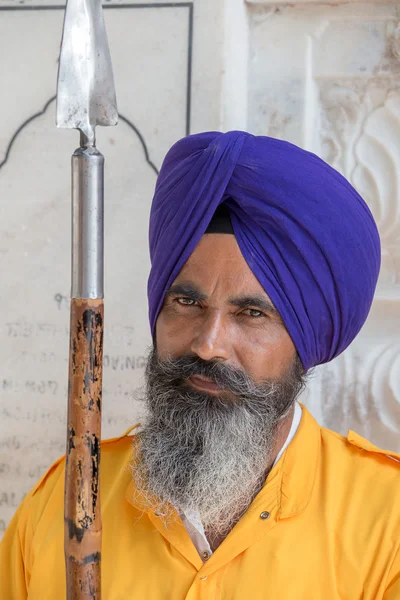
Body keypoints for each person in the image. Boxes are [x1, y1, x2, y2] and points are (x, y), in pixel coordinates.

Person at [1, 131, 399, 599]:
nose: (208, 345)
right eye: (187, 301)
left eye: (252, 313)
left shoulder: (386, 525)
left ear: (305, 340)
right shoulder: (63, 504)